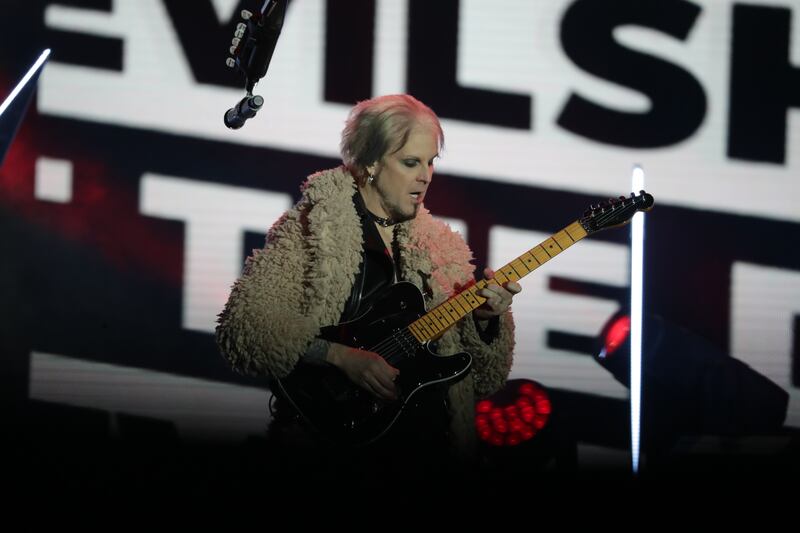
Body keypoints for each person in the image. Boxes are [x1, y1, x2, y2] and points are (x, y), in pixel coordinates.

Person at [215, 94, 520, 486]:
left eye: (431, 162)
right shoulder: (312, 229)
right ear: (372, 162)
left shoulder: (444, 250)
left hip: (427, 453)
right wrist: (341, 357)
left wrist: (486, 324)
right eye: (411, 162)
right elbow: (243, 328)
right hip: (334, 447)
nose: (425, 175)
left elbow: (481, 381)